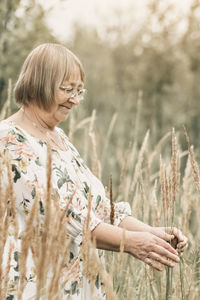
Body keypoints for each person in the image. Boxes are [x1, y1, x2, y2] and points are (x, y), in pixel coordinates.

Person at [0, 43, 187, 299]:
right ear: (38, 83)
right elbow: (64, 218)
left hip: (79, 286)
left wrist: (152, 233)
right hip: (36, 287)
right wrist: (131, 243)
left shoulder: (58, 137)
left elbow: (99, 208)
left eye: (79, 91)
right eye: (67, 89)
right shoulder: (9, 140)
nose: (75, 100)